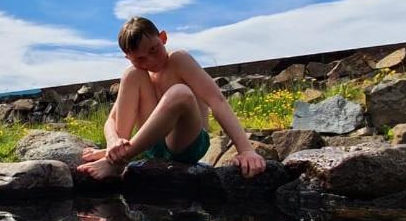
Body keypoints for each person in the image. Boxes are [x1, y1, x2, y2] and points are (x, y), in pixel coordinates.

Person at [77, 16, 266, 180]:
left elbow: (217, 100)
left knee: (180, 92)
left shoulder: (179, 60)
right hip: (152, 146)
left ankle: (119, 161)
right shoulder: (139, 73)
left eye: (154, 50)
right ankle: (117, 155)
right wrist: (112, 143)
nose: (151, 61)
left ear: (163, 38)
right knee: (130, 75)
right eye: (140, 59)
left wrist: (246, 149)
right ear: (129, 57)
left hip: (186, 143)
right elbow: (112, 119)